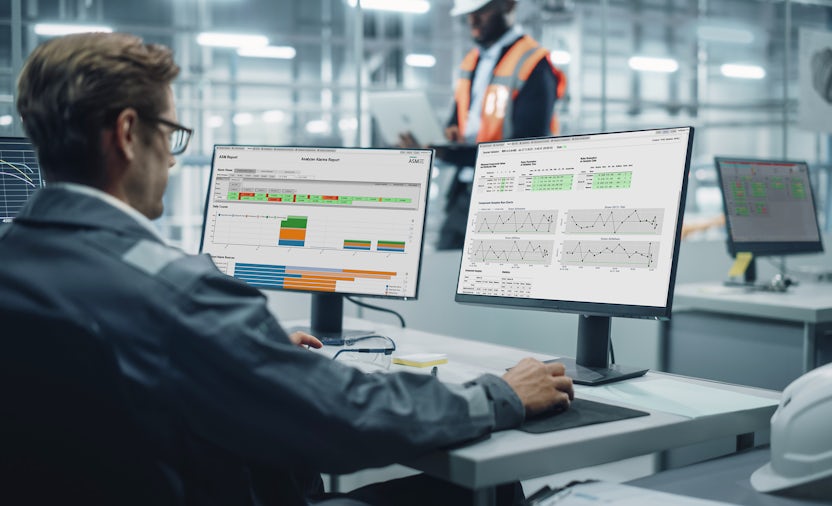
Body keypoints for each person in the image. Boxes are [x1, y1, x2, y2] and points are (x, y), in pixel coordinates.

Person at [1, 32, 574, 506]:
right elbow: (347, 417)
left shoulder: (17, 265)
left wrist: (245, 349)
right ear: (128, 134)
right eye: (170, 135)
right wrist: (498, 393)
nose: (172, 161)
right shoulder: (178, 297)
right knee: (489, 490)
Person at [402, 0, 566, 249]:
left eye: (482, 12)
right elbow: (457, 124)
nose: (473, 21)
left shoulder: (534, 64)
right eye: (469, 14)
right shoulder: (472, 62)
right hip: (464, 193)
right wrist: (436, 142)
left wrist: (454, 155)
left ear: (508, 6)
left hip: (509, 204)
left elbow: (529, 150)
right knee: (445, 272)